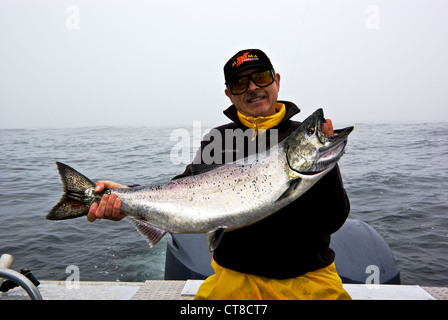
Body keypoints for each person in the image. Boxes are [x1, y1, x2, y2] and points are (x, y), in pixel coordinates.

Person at [87, 49, 351, 300]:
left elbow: (334, 220)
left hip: (309, 279)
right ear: (229, 94)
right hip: (233, 280)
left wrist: (323, 161)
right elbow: (182, 189)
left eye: (260, 77)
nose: (252, 88)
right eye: (239, 83)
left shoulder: (301, 142)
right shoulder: (218, 139)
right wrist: (126, 196)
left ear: (276, 81)